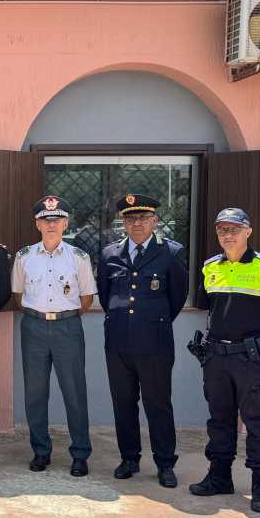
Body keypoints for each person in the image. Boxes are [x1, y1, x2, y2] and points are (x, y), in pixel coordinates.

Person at [189, 208, 260, 514]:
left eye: (234, 229)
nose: (228, 235)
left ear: (248, 231)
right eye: (222, 230)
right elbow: (208, 309)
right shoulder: (210, 267)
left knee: (257, 423)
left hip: (251, 360)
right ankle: (219, 476)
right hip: (217, 358)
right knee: (219, 421)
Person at [96, 194, 188, 488]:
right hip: (119, 342)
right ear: (123, 222)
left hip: (155, 344)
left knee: (157, 403)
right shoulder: (110, 253)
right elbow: (105, 293)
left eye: (143, 218)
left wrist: (152, 322)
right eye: (130, 218)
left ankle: (164, 463)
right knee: (123, 403)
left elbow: (177, 297)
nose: (136, 223)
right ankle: (129, 458)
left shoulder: (170, 253)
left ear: (154, 221)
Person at [11, 196, 96, 476]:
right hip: (33, 327)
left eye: (56, 219)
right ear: (37, 223)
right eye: (45, 220)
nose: (51, 224)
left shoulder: (79, 258)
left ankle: (80, 454)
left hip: (67, 328)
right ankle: (41, 451)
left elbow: (86, 298)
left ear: (66, 223)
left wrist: (62, 316)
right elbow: (18, 296)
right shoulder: (24, 257)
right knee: (35, 393)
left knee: (74, 392)